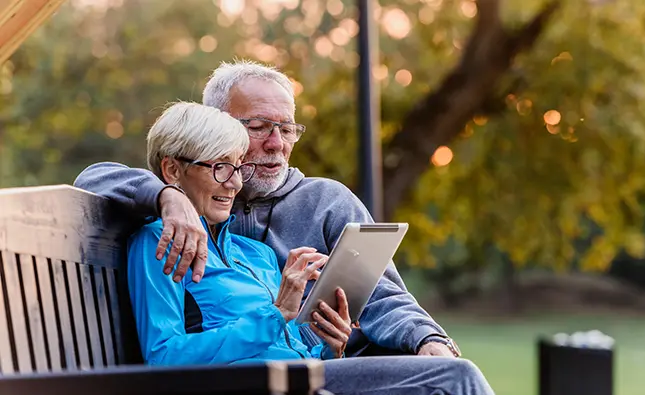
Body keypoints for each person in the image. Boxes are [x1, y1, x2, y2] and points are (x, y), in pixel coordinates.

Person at [74, 59, 459, 358]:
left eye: (287, 128)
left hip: (339, 364)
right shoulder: (190, 196)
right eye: (258, 127)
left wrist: (426, 340)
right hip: (259, 379)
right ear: (218, 129)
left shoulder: (324, 202)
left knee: (448, 373)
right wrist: (167, 197)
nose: (277, 143)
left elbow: (383, 295)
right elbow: (95, 177)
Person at [128, 101, 494, 395]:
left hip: (309, 376)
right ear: (173, 171)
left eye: (238, 168)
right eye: (221, 168)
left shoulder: (253, 253)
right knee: (452, 378)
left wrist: (328, 342)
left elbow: (291, 340)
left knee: (441, 374)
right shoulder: (157, 243)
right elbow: (164, 357)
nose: (234, 184)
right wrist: (276, 314)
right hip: (256, 385)